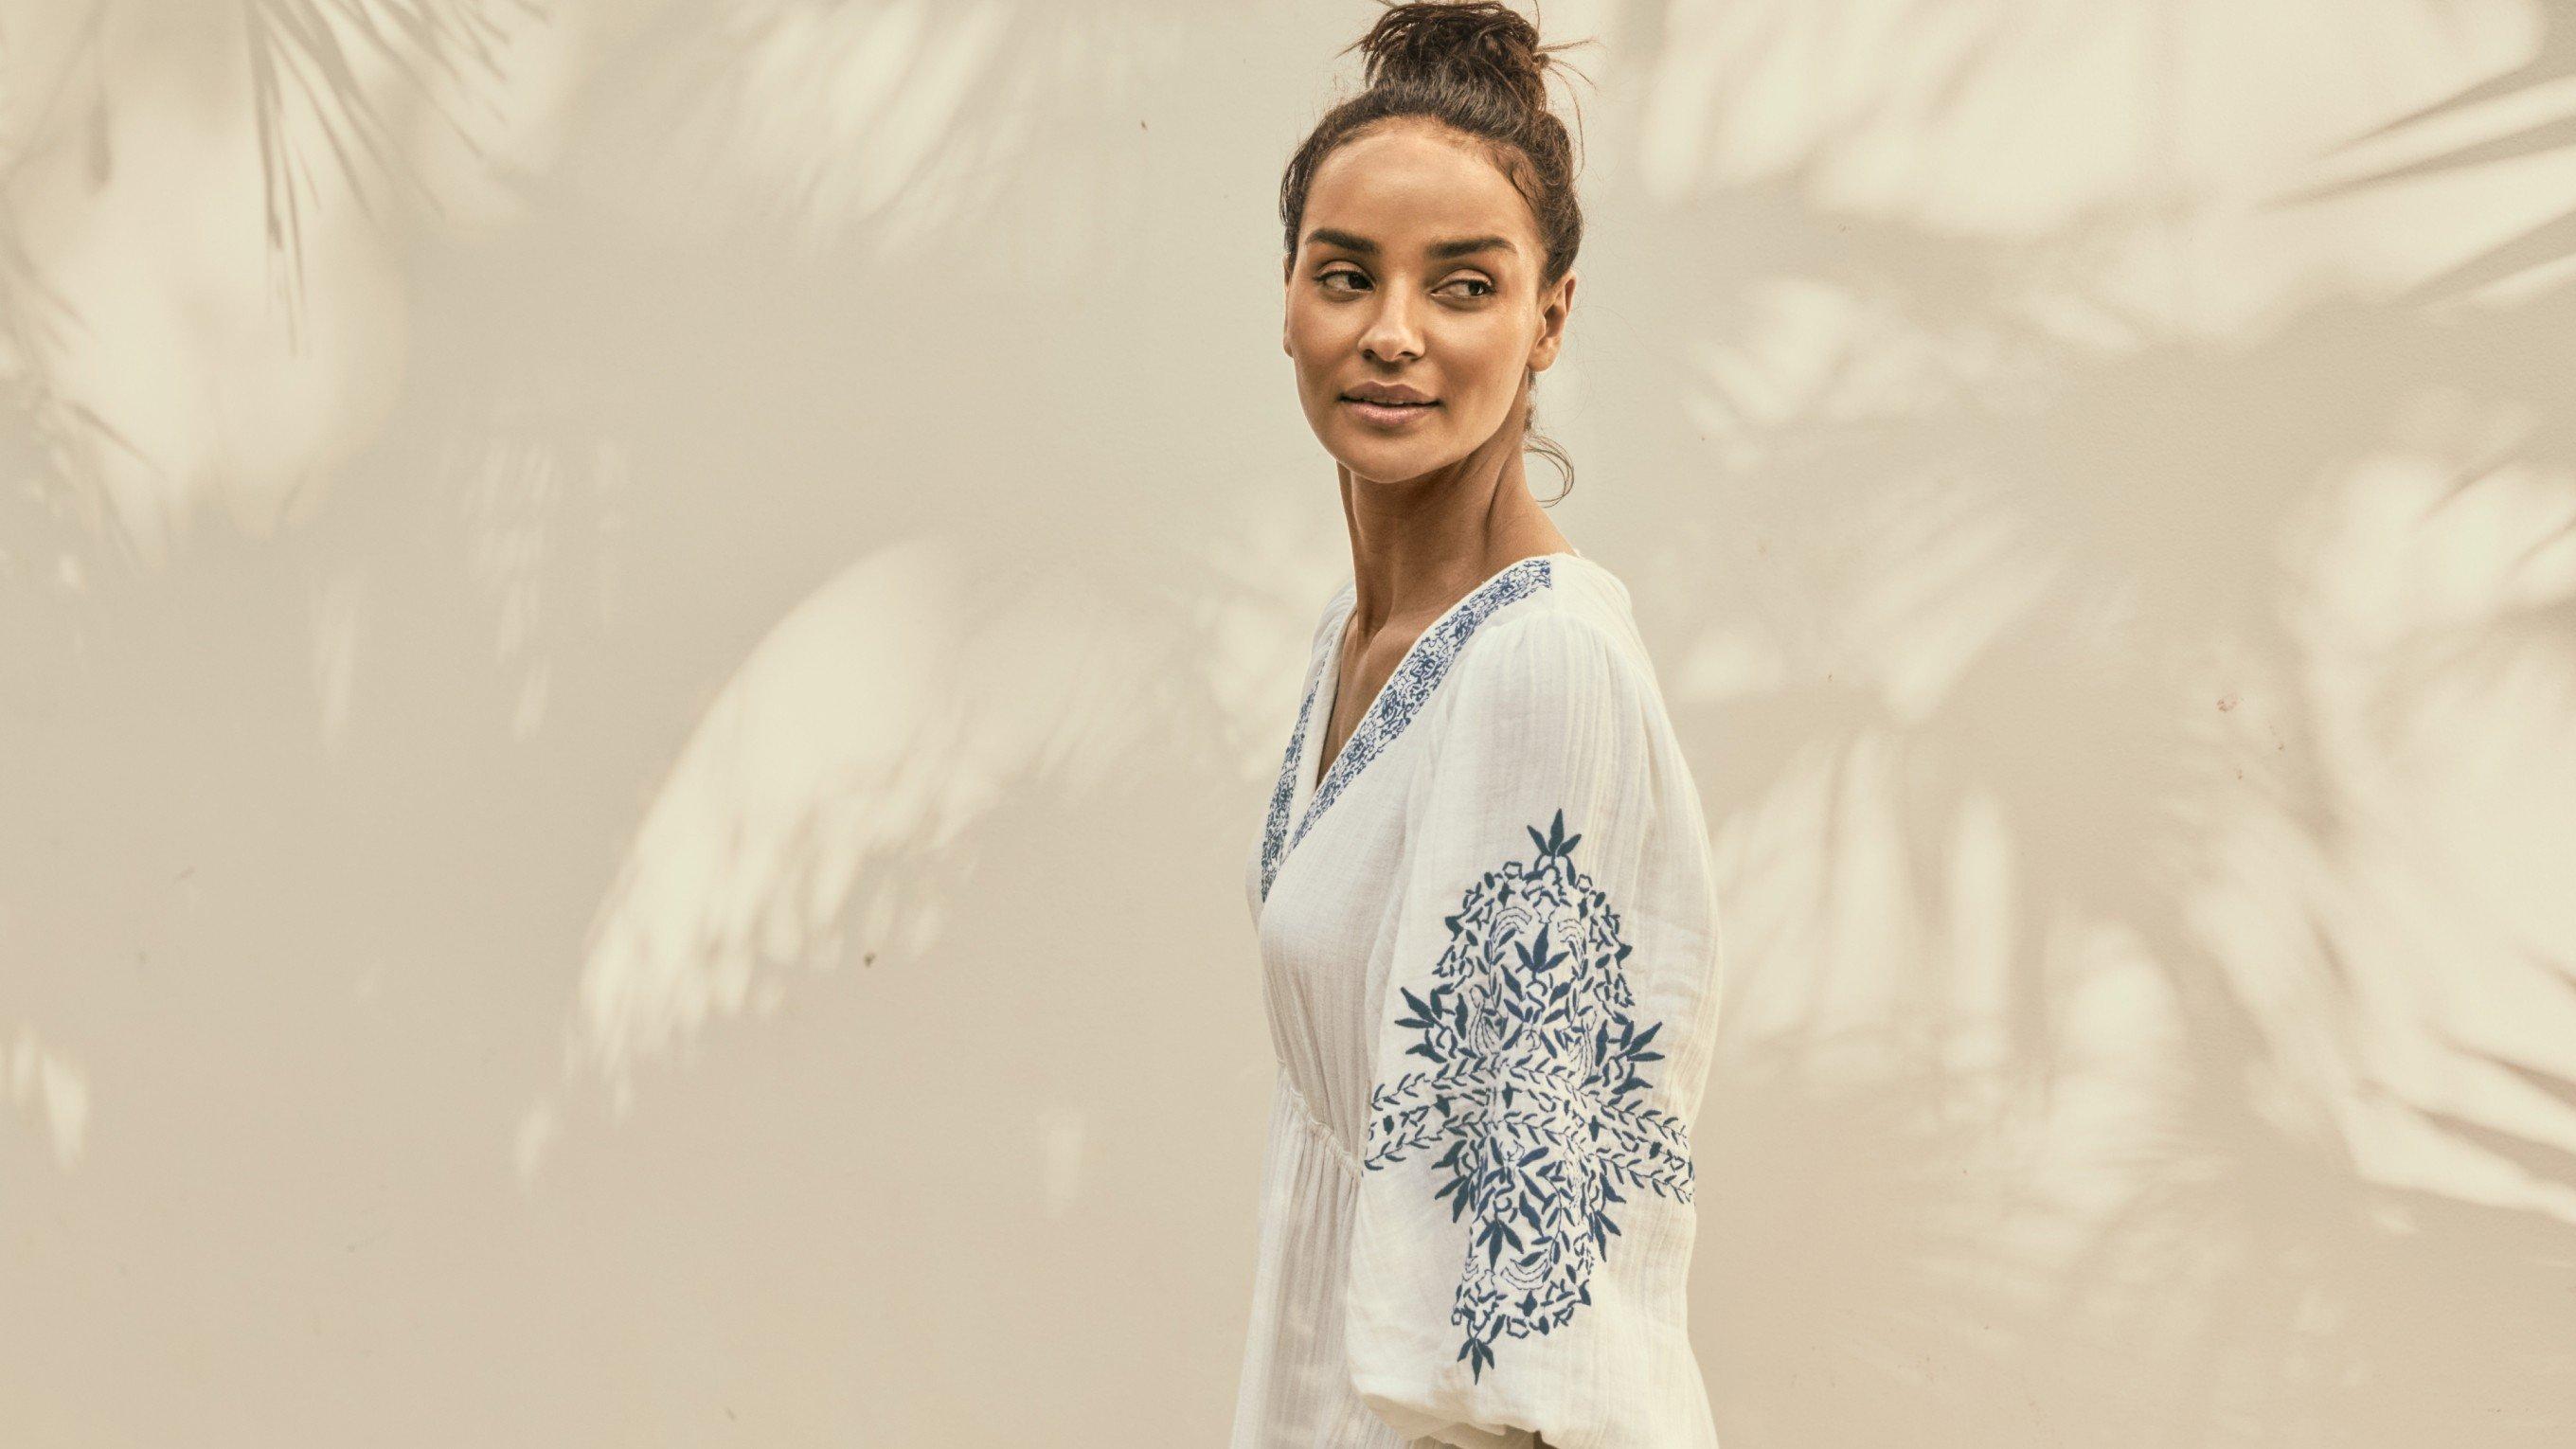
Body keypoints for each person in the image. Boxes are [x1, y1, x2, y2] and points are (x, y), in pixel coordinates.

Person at [1227, 4, 1727, 1447]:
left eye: (1462, 285)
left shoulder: (1540, 670)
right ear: (1286, 298)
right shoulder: (1363, 632)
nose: (1393, 334)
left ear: (1548, 318)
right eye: (1347, 276)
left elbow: (1525, 1277)